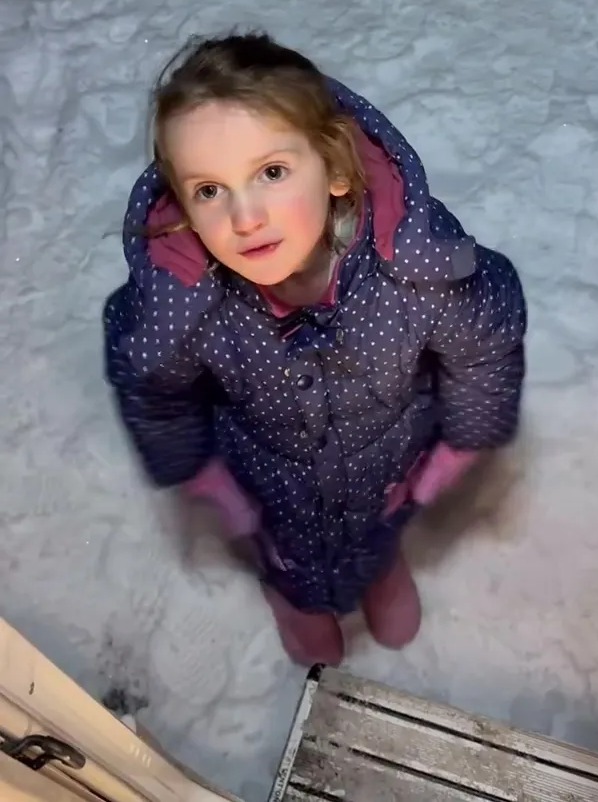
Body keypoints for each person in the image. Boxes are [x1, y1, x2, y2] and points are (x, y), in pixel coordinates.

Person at [102, 30, 527, 667]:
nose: (244, 216)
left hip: (386, 465)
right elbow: (150, 385)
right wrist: (199, 473)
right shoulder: (186, 309)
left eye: (271, 172)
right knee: (285, 555)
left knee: (379, 530)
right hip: (271, 485)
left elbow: (487, 336)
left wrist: (465, 440)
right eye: (210, 190)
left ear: (332, 168)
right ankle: (297, 600)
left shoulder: (413, 273)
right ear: (184, 208)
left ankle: (380, 572)